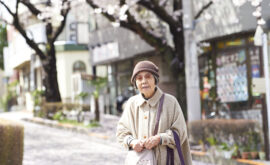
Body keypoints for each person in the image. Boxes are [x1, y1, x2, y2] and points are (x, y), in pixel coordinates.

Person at [116, 60, 192, 165]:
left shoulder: (170, 102)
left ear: (155, 80)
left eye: (148, 76)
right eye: (139, 78)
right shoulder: (131, 104)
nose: (143, 81)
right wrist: (133, 142)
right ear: (135, 83)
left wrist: (160, 138)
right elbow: (121, 132)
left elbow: (180, 133)